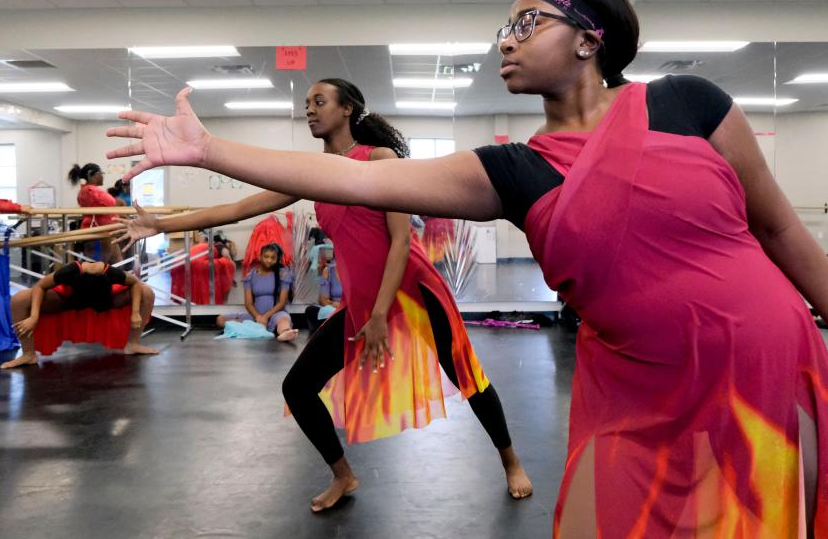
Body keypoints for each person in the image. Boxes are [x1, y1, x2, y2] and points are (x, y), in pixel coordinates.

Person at [107, 0, 828, 537]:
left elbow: (777, 227)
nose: (506, 40)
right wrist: (207, 148)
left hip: (756, 361)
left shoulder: (687, 103)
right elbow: (335, 174)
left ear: (590, 39)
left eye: (528, 23)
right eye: (504, 28)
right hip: (632, 391)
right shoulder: (513, 170)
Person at [115, 77, 532, 511]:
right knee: (298, 388)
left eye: (320, 101)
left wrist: (378, 316)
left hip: (412, 293)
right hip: (362, 304)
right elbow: (240, 208)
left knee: (467, 376)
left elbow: (401, 241)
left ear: (348, 108)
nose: (310, 109)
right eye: (307, 103)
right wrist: (163, 226)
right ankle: (344, 476)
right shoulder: (314, 175)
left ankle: (511, 461)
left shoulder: (379, 158)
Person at [0, 260, 159, 369]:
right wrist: (34, 316)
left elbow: (135, 283)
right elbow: (40, 286)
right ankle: (29, 354)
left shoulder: (109, 272)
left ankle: (133, 344)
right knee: (19, 299)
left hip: (104, 301)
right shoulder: (70, 271)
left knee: (146, 292)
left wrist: (136, 312)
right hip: (69, 300)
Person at [218, 243, 297, 342]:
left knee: (283, 320)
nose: (269, 260)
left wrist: (266, 317)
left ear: (277, 259)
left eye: (273, 257)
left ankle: (286, 332)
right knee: (220, 319)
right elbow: (249, 303)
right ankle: (254, 327)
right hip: (255, 315)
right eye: (266, 256)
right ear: (260, 257)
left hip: (276, 313)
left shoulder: (283, 274)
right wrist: (259, 317)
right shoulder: (250, 276)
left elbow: (281, 303)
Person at [68, 163, 121, 263]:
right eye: (101, 173)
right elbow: (107, 204)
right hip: (98, 231)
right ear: (92, 175)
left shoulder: (90, 190)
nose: (102, 176)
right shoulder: (89, 190)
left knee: (115, 264)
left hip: (104, 231)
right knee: (100, 267)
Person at [304, 245, 342, 331]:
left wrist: (340, 305)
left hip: (348, 310)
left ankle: (326, 328)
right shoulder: (328, 270)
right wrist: (334, 305)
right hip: (333, 309)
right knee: (311, 310)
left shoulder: (355, 272)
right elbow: (323, 300)